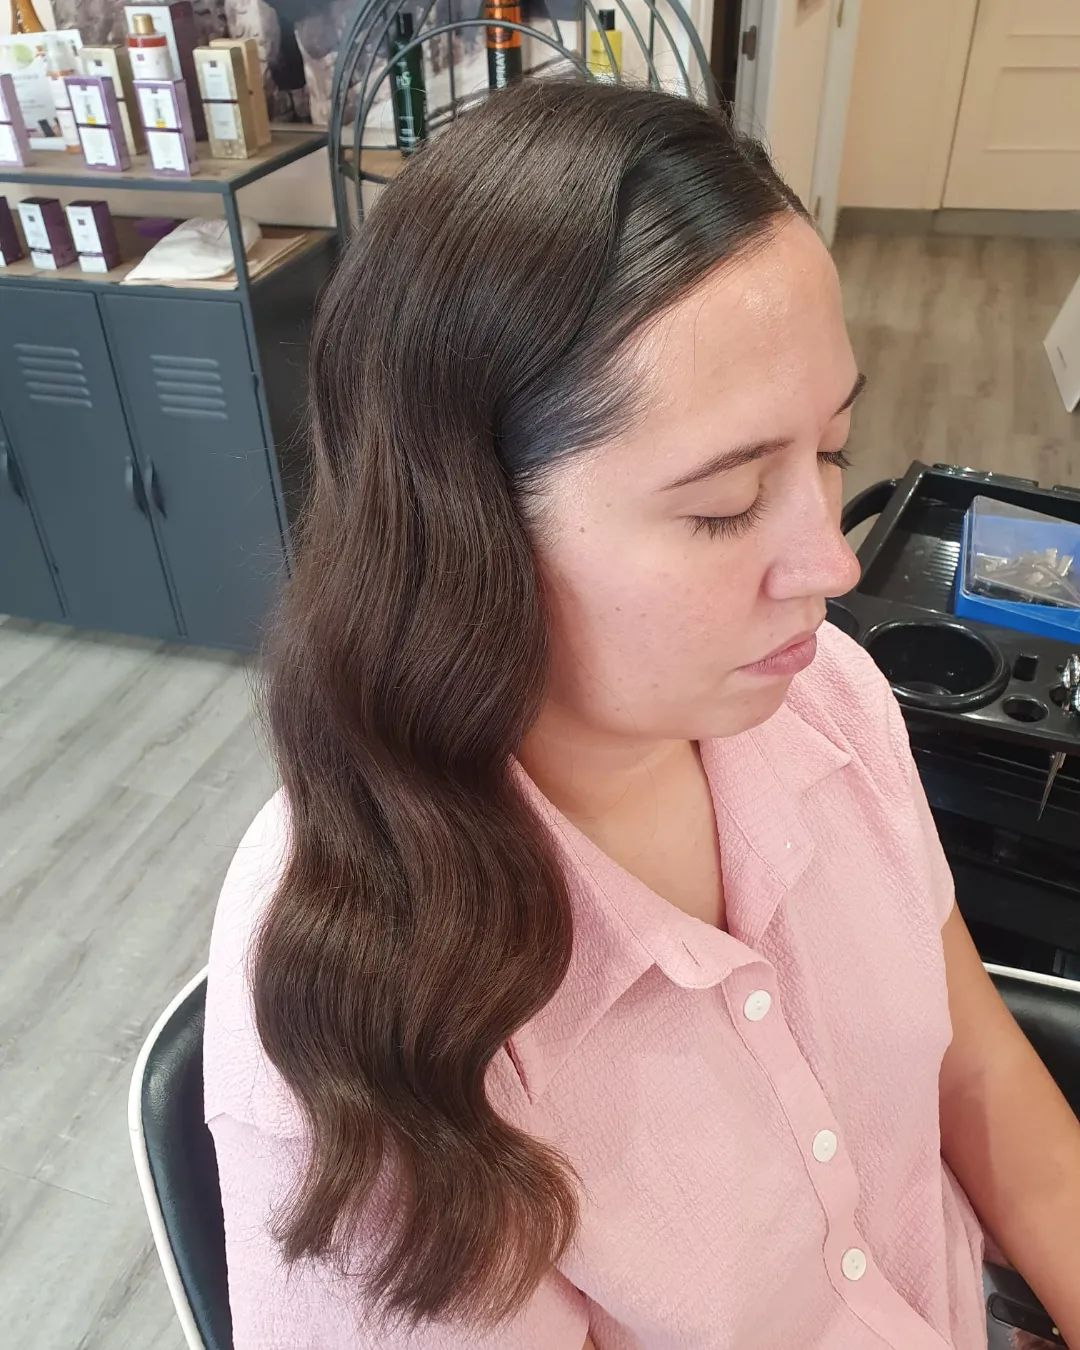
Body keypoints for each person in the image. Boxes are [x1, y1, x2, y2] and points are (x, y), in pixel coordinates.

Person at [202, 78, 1080, 1349]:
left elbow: (975, 1070)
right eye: (725, 505)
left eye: (829, 451)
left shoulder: (824, 701)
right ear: (466, 528)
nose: (831, 567)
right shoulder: (373, 1008)